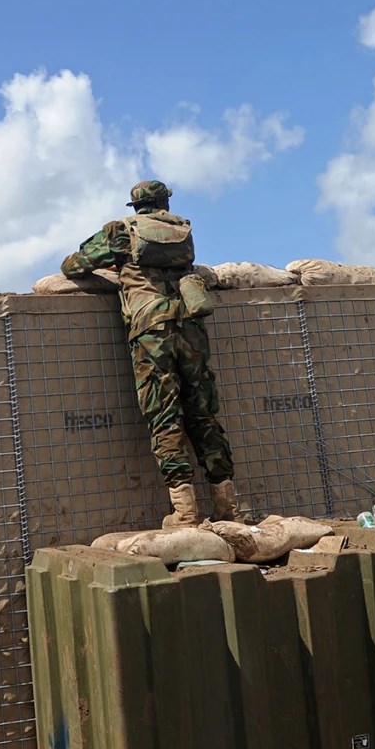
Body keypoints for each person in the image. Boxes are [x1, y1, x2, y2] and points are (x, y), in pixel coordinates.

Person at [61, 180, 243, 527]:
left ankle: (186, 513)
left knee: (164, 415)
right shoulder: (182, 230)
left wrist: (116, 269)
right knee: (203, 415)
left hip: (151, 331)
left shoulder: (121, 231)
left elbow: (73, 266)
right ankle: (228, 508)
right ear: (165, 203)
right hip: (191, 327)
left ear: (136, 207)